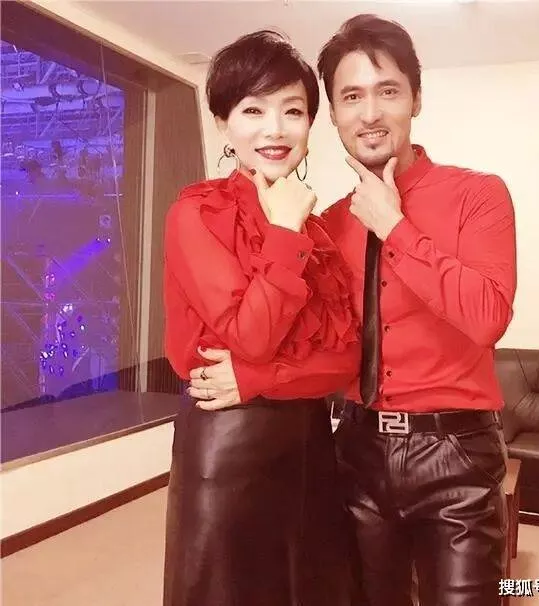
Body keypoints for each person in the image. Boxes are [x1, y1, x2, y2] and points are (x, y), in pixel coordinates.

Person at [192, 14, 517, 606]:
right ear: (333, 116)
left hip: (455, 453)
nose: (370, 113)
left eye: (387, 91)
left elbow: (487, 316)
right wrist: (256, 376)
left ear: (416, 99)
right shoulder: (325, 224)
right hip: (356, 450)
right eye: (351, 97)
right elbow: (324, 351)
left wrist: (394, 226)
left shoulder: (478, 194)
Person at [162, 30, 359, 606]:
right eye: (253, 110)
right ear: (223, 123)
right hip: (229, 442)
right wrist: (285, 231)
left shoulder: (320, 230)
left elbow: (348, 361)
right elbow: (251, 335)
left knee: (315, 589)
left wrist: (257, 377)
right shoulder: (196, 213)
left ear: (310, 125)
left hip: (310, 442)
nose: (275, 129)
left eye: (292, 111)